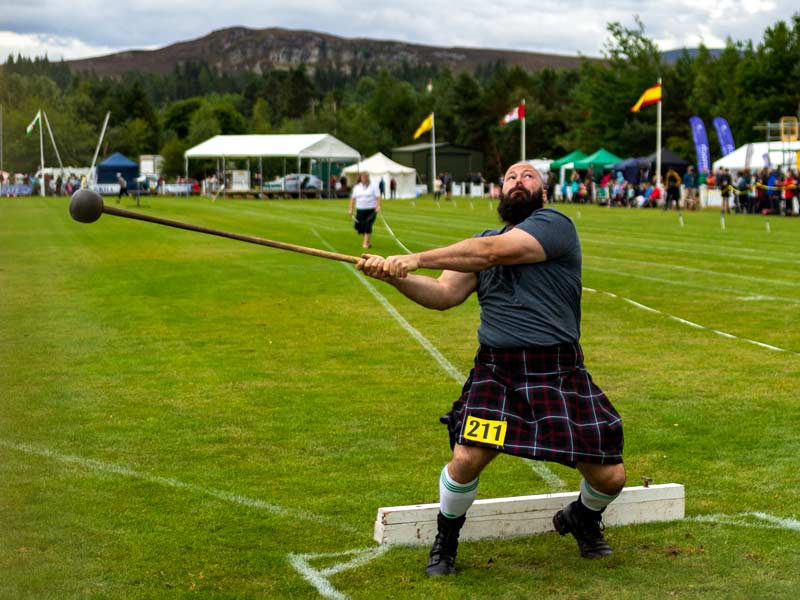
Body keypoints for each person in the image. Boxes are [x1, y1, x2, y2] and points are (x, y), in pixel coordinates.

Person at [357, 162, 626, 577]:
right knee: (466, 458)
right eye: (510, 178)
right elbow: (443, 293)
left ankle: (582, 517)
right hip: (499, 371)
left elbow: (491, 253)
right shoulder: (480, 243)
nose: (518, 181)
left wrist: (414, 259)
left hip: (557, 371)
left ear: (544, 192)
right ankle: (446, 540)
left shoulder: (555, 226)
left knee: (610, 476)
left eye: (528, 176)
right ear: (500, 193)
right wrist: (393, 277)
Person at [348, 172, 381, 249]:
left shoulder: (373, 186)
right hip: (360, 210)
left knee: (368, 224)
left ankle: (365, 243)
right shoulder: (357, 187)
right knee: (360, 227)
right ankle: (367, 242)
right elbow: (353, 199)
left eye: (366, 177)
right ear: (361, 178)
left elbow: (378, 197)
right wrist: (351, 209)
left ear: (368, 178)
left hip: (371, 210)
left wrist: (378, 206)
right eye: (363, 177)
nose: (364, 178)